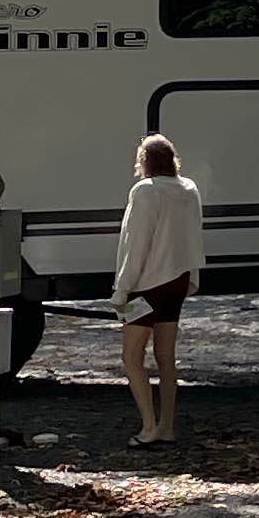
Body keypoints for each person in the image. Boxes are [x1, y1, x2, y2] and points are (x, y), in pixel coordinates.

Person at [111, 132, 206, 447]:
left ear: (144, 162)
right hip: (177, 282)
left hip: (145, 286)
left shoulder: (144, 192)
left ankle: (148, 426)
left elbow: (135, 246)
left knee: (131, 356)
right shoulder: (190, 189)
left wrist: (120, 291)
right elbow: (193, 236)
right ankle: (167, 426)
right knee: (166, 356)